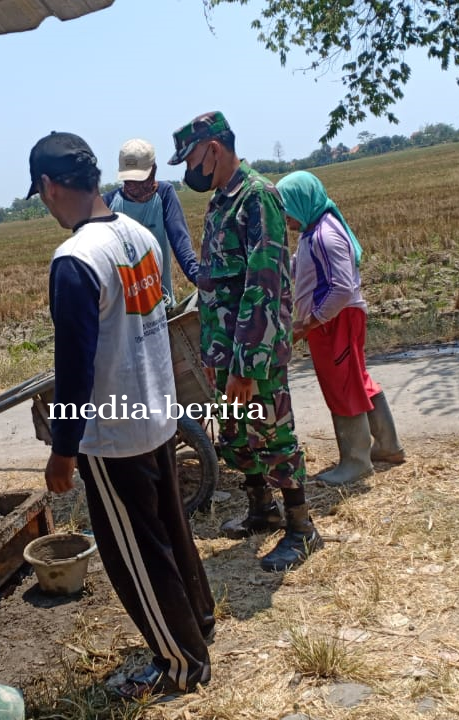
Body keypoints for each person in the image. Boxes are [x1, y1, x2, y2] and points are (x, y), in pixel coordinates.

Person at [31, 131, 213, 698]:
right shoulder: (138, 236)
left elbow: (76, 367)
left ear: (49, 187)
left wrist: (64, 451)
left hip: (113, 434)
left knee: (135, 554)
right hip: (157, 412)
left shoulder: (75, 261)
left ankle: (181, 663)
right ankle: (198, 620)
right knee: (170, 534)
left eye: (40, 194)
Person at [168, 111, 322, 572]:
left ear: (213, 149)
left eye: (191, 159)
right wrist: (215, 353)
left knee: (273, 435)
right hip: (226, 349)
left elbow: (265, 285)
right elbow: (216, 284)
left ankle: (301, 528)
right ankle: (262, 510)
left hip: (253, 354)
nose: (188, 171)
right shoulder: (221, 201)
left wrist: (245, 365)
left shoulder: (258, 198)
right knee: (236, 438)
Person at [276, 171, 404, 486]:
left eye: (285, 209)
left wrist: (310, 322)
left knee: (341, 386)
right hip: (334, 320)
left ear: (301, 202)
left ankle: (356, 462)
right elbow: (302, 269)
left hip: (336, 320)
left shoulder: (325, 235)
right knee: (356, 379)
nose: (284, 219)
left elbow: (342, 289)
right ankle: (388, 446)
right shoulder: (311, 232)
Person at [101, 138, 200, 304]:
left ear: (153, 170)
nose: (133, 185)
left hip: (161, 299)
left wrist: (198, 277)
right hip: (124, 306)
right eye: (128, 180)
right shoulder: (109, 203)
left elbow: (180, 241)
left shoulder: (164, 194)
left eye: (138, 179)